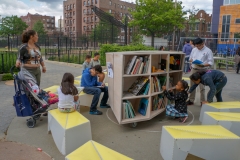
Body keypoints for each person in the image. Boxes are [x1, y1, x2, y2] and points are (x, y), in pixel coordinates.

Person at [187, 37, 214, 106]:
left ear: (203, 44)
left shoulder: (208, 51)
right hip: (194, 69)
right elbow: (190, 59)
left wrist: (203, 65)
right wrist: (193, 61)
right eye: (196, 46)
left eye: (199, 46)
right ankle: (191, 99)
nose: (197, 47)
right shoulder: (194, 50)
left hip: (203, 70)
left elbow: (211, 62)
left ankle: (202, 101)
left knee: (202, 86)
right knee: (192, 85)